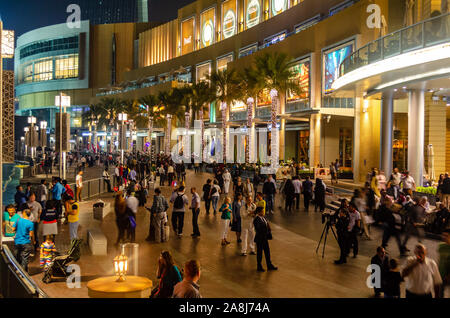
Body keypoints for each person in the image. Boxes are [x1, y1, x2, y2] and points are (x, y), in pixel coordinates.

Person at [253, 206, 277, 272]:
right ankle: (259, 266)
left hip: (265, 238)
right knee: (260, 253)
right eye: (262, 211)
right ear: (259, 212)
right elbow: (258, 228)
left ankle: (269, 265)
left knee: (267, 252)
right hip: (260, 238)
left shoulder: (264, 218)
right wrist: (265, 229)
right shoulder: (256, 219)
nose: (263, 212)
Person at [334, 200, 350, 265]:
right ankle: (344, 259)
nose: (339, 214)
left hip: (343, 234)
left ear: (344, 213)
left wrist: (337, 223)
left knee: (342, 247)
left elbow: (339, 226)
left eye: (341, 213)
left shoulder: (344, 219)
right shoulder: (344, 218)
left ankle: (341, 260)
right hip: (342, 233)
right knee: (342, 247)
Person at [438, 229, 450, 298]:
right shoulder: (441, 246)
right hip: (441, 274)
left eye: (446, 236)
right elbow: (439, 259)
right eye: (443, 235)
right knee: (440, 293)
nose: (444, 237)